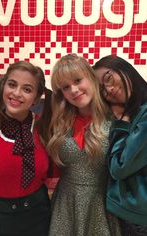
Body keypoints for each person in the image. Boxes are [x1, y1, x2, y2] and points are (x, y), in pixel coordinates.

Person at [47, 53, 121, 236]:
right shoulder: (60, 121)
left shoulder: (115, 119)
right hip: (65, 206)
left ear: (92, 78)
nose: (73, 89)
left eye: (78, 80)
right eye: (66, 87)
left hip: (101, 206)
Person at [0, 61, 51, 236]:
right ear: (3, 86)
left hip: (39, 215)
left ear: (37, 98)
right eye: (12, 85)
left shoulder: (45, 127)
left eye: (27, 89)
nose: (16, 93)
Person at [93, 55, 147, 236]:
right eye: (101, 90)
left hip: (139, 217)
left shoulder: (141, 114)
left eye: (108, 78)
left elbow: (119, 167)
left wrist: (121, 123)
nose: (109, 89)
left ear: (123, 68)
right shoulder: (135, 109)